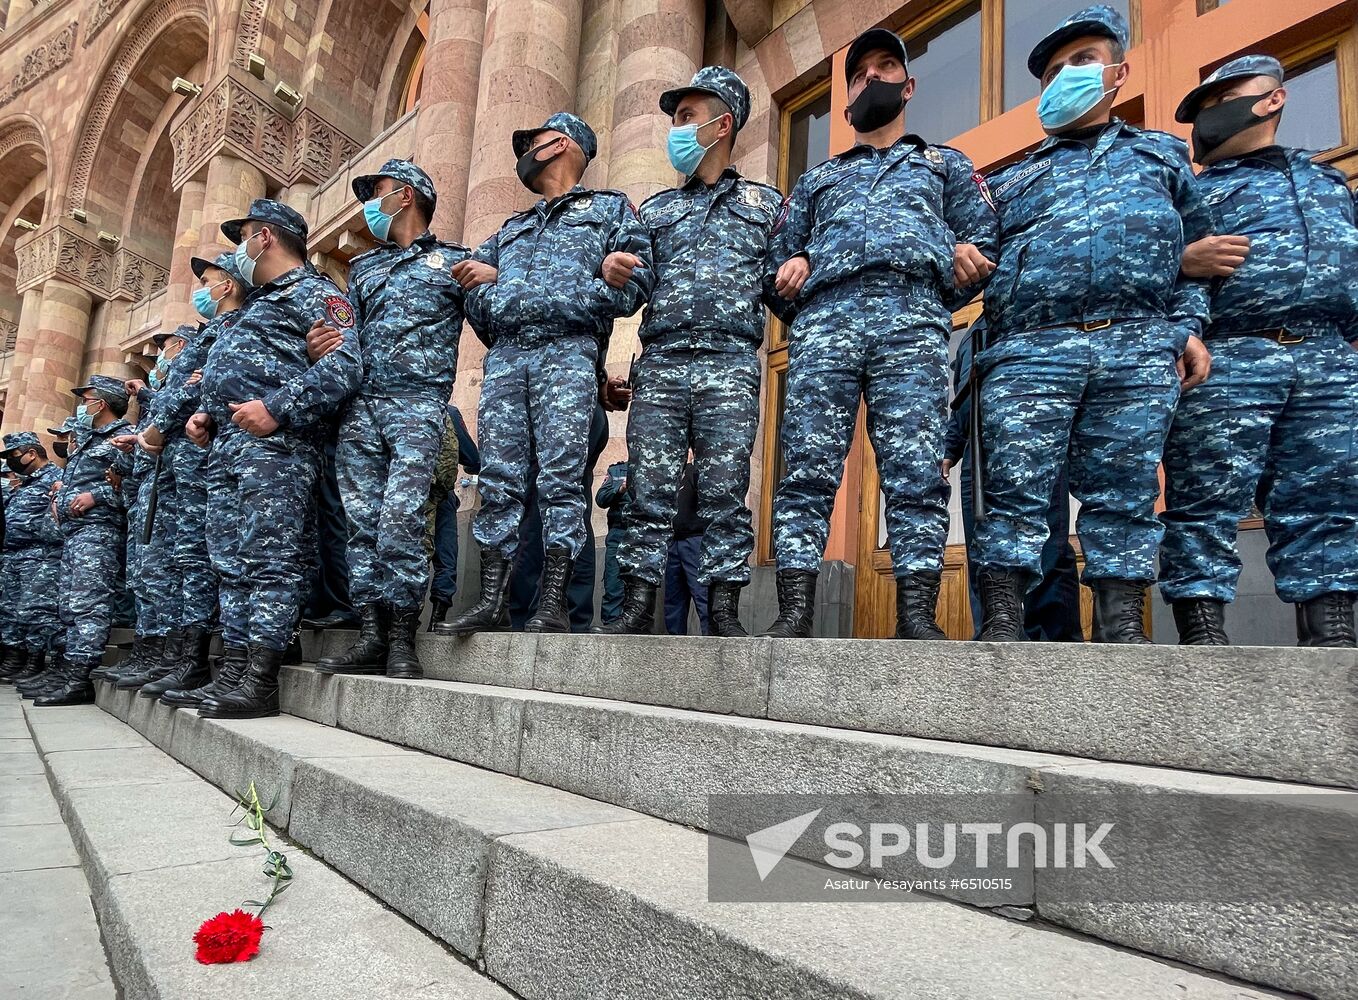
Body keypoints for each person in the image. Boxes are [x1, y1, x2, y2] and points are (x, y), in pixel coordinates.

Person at [969, 5, 1214, 644]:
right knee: (1014, 499)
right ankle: (1002, 631)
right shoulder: (1009, 179)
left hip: (1136, 346)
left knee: (1125, 498)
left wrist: (1185, 327)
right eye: (1051, 72)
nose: (1064, 78)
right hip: (1030, 350)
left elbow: (1195, 257)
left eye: (1080, 63)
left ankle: (1122, 636)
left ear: (1118, 73)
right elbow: (972, 265)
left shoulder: (1161, 159)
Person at [763, 27, 998, 640]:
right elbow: (774, 267)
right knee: (806, 471)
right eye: (860, 73)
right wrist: (797, 272)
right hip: (825, 330)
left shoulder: (944, 166)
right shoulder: (817, 181)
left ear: (909, 84)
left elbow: (987, 246)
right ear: (845, 103)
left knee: (916, 470)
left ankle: (915, 615)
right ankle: (794, 613)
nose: (873, 79)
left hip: (913, 324)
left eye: (886, 67)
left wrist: (960, 268)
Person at [1161, 56, 1358, 648]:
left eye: (1222, 98)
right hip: (1228, 355)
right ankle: (1202, 639)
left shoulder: (1325, 183)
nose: (1206, 117)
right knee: (1205, 499)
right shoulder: (1187, 191)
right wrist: (1179, 260)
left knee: (1328, 499)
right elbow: (1132, 277)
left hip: (1327, 359)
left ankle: (1333, 637)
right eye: (1198, 109)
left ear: (1273, 99)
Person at [438, 112, 654, 635]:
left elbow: (634, 283)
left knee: (560, 482)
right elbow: (477, 303)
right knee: (500, 480)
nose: (524, 154)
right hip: (509, 361)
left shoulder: (609, 211)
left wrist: (518, 291)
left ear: (558, 145)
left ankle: (553, 603)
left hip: (568, 359)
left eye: (531, 143)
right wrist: (516, 293)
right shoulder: (510, 229)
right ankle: (492, 599)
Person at [592, 67, 780, 638]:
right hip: (664, 364)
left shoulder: (767, 206)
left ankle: (722, 609)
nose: (675, 129)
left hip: (730, 360)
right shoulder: (654, 212)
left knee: (725, 490)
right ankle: (637, 607)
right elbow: (628, 295)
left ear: (722, 124)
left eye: (685, 117)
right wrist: (613, 275)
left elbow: (783, 286)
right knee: (649, 490)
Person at [188, 199, 362, 719]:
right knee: (232, 563)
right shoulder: (257, 305)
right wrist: (207, 414)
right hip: (228, 447)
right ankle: (236, 669)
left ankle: (261, 679)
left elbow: (345, 367)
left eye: (242, 237)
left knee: (270, 560)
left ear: (264, 237)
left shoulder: (316, 293)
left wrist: (276, 409)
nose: (237, 250)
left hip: (276, 450)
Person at [315, 159, 470, 679]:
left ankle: (404, 636)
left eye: (377, 192)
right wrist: (321, 348)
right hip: (361, 409)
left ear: (405, 196)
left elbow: (495, 323)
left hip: (417, 407)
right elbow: (346, 337)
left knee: (402, 521)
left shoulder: (454, 263)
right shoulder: (363, 269)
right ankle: (372, 633)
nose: (369, 204)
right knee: (361, 527)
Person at [138, 252, 249, 703]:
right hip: (190, 462)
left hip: (217, 457)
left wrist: (156, 426)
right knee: (191, 558)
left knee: (218, 557)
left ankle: (210, 658)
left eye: (209, 280)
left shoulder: (246, 324)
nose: (201, 289)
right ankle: (189, 656)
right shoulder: (213, 334)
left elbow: (191, 389)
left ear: (229, 285)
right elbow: (187, 386)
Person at [944, 319, 1083, 641]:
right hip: (979, 454)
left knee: (1047, 547)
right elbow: (964, 399)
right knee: (983, 550)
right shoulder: (969, 338)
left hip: (1036, 447)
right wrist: (950, 447)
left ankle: (1053, 642)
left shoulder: (1036, 314)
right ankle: (993, 633)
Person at [33, 376, 132, 706]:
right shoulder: (89, 441)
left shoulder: (120, 438)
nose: (81, 405)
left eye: (85, 399)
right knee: (70, 605)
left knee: (88, 605)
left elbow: (130, 484)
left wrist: (96, 495)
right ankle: (65, 670)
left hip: (98, 531)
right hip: (75, 533)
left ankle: (79, 676)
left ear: (100, 403)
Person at [0, 433, 63, 685]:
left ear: (31, 453)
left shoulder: (54, 477)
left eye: (14, 455)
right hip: (12, 553)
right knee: (9, 609)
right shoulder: (24, 483)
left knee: (34, 608)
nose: (12, 462)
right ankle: (15, 656)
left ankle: (35, 659)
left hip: (38, 552)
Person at [427, 405, 480, 629]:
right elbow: (473, 459)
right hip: (439, 494)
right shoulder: (448, 412)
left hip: (402, 494)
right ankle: (436, 620)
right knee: (445, 557)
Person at [663, 463, 711, 635]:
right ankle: (674, 642)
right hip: (672, 541)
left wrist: (693, 464)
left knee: (702, 595)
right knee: (673, 599)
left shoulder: (696, 470)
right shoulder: (669, 473)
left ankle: (711, 637)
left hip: (695, 540)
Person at [594, 459, 630, 624]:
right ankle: (611, 624)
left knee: (641, 587)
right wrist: (619, 489)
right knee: (613, 583)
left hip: (646, 537)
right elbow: (601, 499)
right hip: (619, 533)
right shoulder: (618, 470)